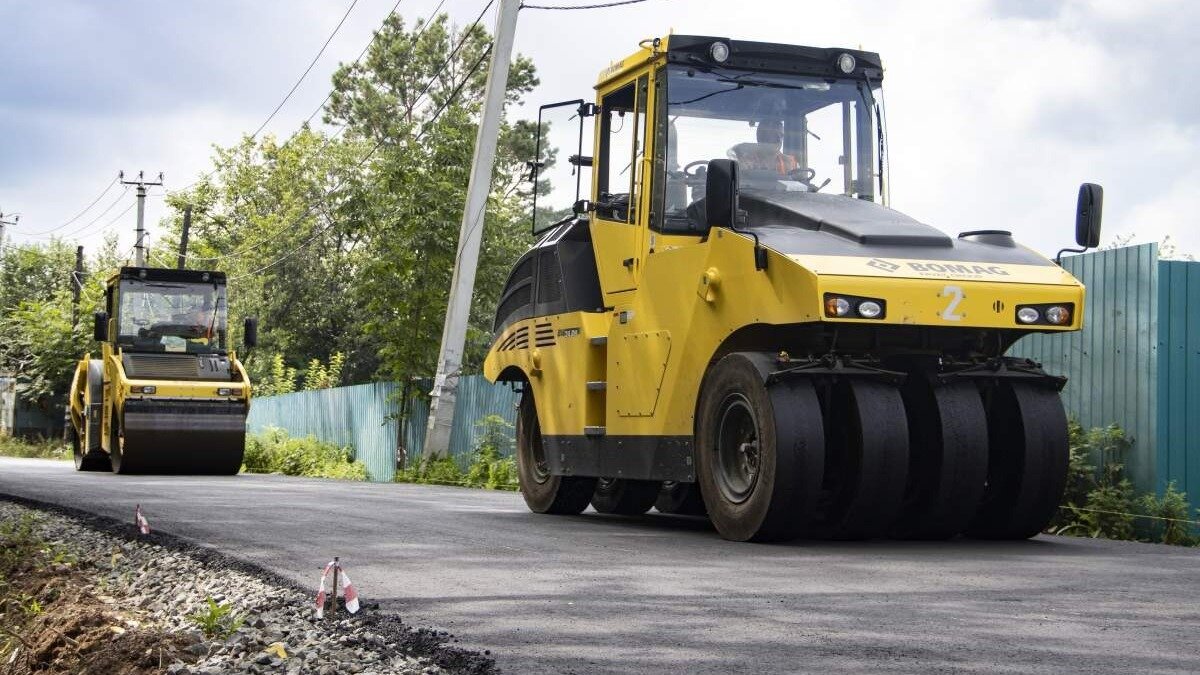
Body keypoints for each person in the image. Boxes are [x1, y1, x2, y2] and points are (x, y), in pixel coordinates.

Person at [729, 118, 798, 174]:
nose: (779, 139)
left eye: (781, 135)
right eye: (774, 134)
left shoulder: (791, 162)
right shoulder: (746, 162)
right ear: (761, 137)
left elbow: (801, 185)